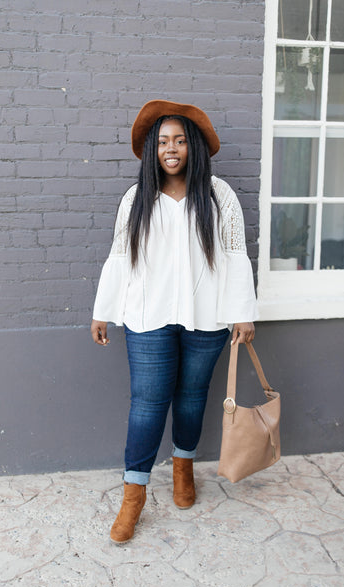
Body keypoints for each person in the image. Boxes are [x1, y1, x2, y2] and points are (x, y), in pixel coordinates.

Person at [91, 100, 258, 544]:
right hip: (148, 317)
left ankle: (183, 470)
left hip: (207, 317)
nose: (172, 149)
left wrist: (243, 312)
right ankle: (134, 494)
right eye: (163, 141)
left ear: (193, 147)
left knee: (191, 397)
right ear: (152, 149)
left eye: (180, 140)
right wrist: (103, 310)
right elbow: (120, 257)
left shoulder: (218, 195)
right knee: (147, 403)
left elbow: (236, 255)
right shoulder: (136, 198)